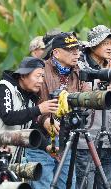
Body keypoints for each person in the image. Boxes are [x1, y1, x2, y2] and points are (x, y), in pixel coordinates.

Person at [25, 32, 86, 189]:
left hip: (66, 139)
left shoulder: (79, 72)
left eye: (77, 50)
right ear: (56, 53)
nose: (76, 54)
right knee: (43, 185)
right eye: (70, 50)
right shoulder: (39, 69)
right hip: (40, 140)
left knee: (68, 185)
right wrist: (44, 119)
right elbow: (26, 103)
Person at [76, 25, 111, 189]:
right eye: (105, 43)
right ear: (93, 44)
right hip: (89, 138)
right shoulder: (79, 66)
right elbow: (84, 97)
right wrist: (109, 74)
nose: (110, 47)